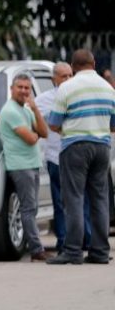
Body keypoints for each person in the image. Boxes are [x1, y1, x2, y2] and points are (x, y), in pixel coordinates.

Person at [46, 49, 115, 265]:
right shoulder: (108, 88)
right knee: (100, 200)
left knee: (74, 198)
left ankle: (73, 251)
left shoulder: (67, 87)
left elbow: (54, 123)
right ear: (93, 64)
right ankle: (100, 252)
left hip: (74, 146)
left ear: (73, 67)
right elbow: (113, 124)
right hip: (102, 147)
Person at [34, 62, 92, 251]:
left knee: (83, 200)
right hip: (56, 157)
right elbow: (25, 115)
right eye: (63, 76)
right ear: (54, 79)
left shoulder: (81, 96)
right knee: (60, 203)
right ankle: (64, 242)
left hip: (78, 157)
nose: (67, 79)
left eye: (70, 75)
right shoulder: (44, 99)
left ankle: (86, 240)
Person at [0, 72, 50, 262]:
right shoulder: (10, 110)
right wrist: (35, 135)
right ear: (12, 89)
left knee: (31, 208)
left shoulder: (26, 110)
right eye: (20, 87)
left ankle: (35, 246)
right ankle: (37, 250)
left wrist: (35, 109)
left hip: (32, 164)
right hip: (20, 166)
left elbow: (44, 131)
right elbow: (30, 139)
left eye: (27, 88)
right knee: (28, 209)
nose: (24, 91)